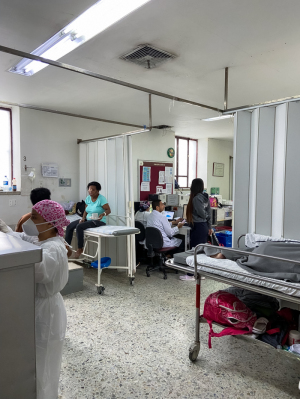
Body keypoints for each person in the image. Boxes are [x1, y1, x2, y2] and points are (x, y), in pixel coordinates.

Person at [2, 200, 70, 399]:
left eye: (34, 218)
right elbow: (20, 237)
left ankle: (44, 395)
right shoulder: (39, 239)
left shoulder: (54, 249)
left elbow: (35, 269)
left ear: (49, 223)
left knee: (43, 359)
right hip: (36, 305)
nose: (29, 221)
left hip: (46, 310)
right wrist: (4, 229)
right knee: (33, 357)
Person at [65, 181, 111, 258]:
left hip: (99, 221)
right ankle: (66, 248)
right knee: (69, 226)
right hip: (88, 219)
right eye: (89, 189)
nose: (90, 191)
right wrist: (83, 218)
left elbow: (108, 210)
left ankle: (80, 248)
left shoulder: (101, 199)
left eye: (93, 189)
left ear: (97, 190)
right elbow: (86, 210)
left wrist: (103, 214)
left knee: (79, 226)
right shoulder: (88, 198)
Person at [183, 178, 212, 281]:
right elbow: (209, 212)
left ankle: (191, 275)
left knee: (194, 251)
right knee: (200, 251)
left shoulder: (196, 199)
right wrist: (209, 226)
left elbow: (202, 213)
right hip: (203, 226)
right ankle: (200, 273)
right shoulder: (205, 197)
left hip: (198, 226)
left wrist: (206, 219)